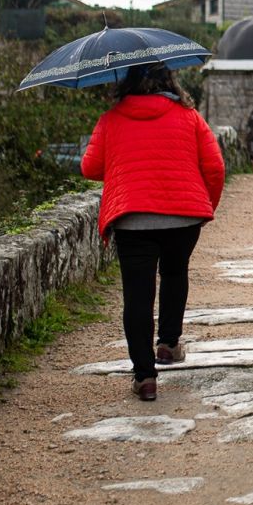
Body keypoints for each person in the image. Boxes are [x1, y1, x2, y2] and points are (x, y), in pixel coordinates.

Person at [82, 63, 225, 402]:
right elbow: (215, 166)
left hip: (132, 218)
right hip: (183, 216)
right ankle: (169, 344)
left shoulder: (111, 119)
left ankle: (145, 376)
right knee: (175, 273)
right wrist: (206, 205)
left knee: (137, 294)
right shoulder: (189, 117)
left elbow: (89, 168)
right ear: (170, 80)